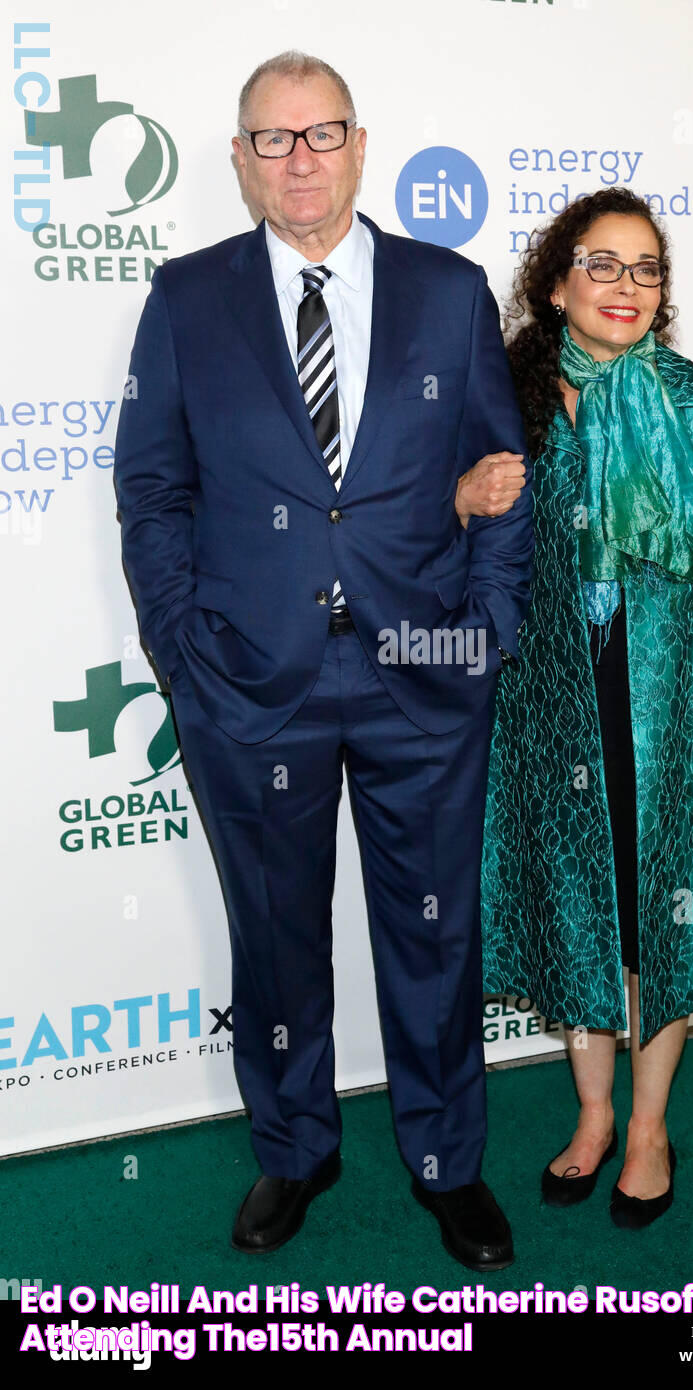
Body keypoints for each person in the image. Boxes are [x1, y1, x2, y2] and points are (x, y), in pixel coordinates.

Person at [113, 50, 533, 1269]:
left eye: (321, 133)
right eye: (272, 139)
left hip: (424, 672)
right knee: (277, 932)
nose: (299, 159)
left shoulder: (449, 292)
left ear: (361, 144)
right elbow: (153, 492)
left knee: (434, 930)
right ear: (241, 162)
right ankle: (295, 1148)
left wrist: (487, 637)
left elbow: (500, 484)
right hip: (250, 686)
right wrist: (185, 650)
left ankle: (449, 1159)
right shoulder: (187, 300)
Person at [461, 187, 693, 1228]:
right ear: (556, 283)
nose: (626, 286)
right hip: (551, 709)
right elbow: (452, 547)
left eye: (646, 268)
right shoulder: (505, 405)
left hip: (679, 709)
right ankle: (593, 1114)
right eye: (601, 264)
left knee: (658, 925)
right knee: (579, 911)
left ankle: (648, 1130)